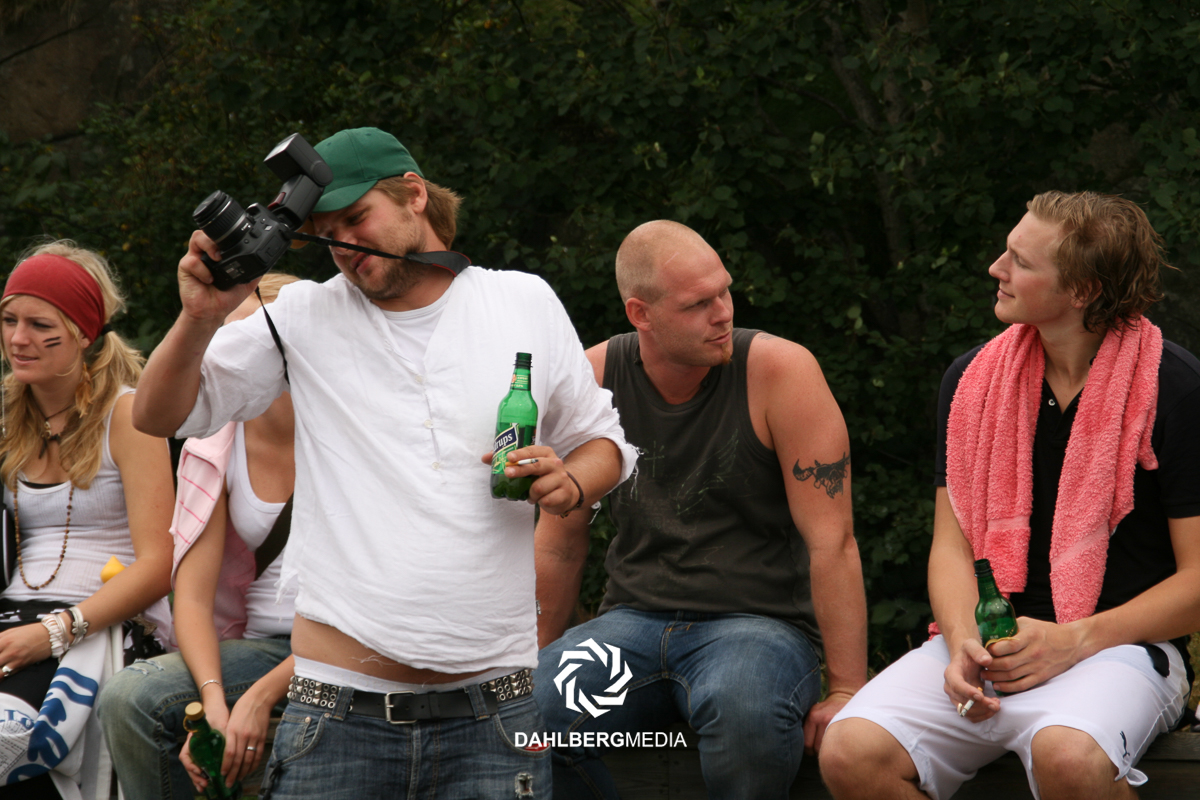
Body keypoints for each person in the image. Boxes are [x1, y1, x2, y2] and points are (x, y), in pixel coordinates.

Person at [130, 127, 637, 799]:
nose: (343, 245)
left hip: (495, 713)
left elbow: (605, 443)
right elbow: (158, 416)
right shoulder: (301, 317)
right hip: (338, 715)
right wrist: (198, 317)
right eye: (325, 233)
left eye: (356, 218)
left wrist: (571, 481)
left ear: (414, 195)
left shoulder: (522, 301)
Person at [820, 191, 1200, 800]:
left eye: (1021, 261)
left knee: (1066, 758)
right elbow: (951, 547)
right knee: (849, 753)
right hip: (989, 648)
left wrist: (1072, 641)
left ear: (1082, 290)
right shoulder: (971, 381)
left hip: (1121, 650)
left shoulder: (1175, 388)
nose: (996, 268)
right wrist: (961, 643)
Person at [533, 220, 869, 799]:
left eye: (725, 291)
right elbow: (560, 542)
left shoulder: (780, 371)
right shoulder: (594, 377)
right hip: (630, 621)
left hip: (759, 625)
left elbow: (832, 541)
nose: (723, 313)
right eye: (698, 304)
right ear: (641, 314)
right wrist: (534, 656)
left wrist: (846, 691)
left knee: (745, 714)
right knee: (531, 711)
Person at [97, 272, 300, 799]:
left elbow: (373, 604)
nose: (228, 360)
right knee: (131, 697)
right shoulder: (213, 442)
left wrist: (256, 699)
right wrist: (213, 701)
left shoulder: (351, 434)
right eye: (221, 342)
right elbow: (191, 597)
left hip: (347, 643)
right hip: (263, 645)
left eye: (248, 342)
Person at [0, 241, 174, 798]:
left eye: (39, 325)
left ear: (82, 333)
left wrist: (54, 632)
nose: (17, 338)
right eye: (9, 320)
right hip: (12, 621)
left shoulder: (128, 413)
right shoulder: (8, 416)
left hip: (96, 627)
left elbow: (160, 563)